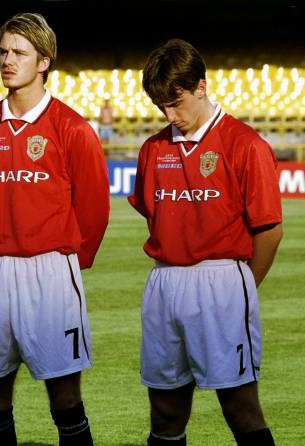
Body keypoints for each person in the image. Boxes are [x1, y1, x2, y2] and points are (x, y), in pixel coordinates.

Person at [0, 12, 110, 446]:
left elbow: (94, 210)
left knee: (63, 393)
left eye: (19, 53)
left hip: (50, 272)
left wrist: (66, 263)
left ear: (44, 61)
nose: (7, 60)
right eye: (4, 51)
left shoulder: (73, 128)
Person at [128, 39, 282, 446]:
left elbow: (268, 231)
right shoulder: (152, 149)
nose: (168, 114)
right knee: (165, 410)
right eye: (160, 105)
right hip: (164, 285)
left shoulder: (246, 145)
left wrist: (242, 287)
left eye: (175, 102)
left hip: (222, 282)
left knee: (240, 406)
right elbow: (151, 210)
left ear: (201, 86)